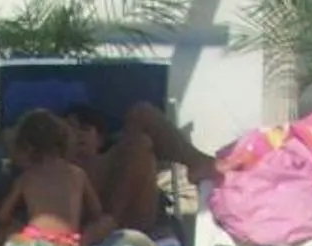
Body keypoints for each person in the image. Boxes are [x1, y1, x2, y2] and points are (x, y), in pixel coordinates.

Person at [63, 99, 218, 237]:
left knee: (142, 120)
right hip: (89, 220)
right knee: (139, 144)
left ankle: (198, 163)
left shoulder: (115, 160)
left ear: (100, 139)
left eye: (84, 128)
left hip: (124, 215)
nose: (77, 135)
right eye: (69, 129)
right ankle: (109, 222)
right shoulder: (53, 168)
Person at [0, 108, 116, 246]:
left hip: (34, 240)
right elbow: (97, 212)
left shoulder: (27, 177)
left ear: (26, 147)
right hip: (68, 241)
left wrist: (19, 225)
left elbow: (3, 216)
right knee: (108, 222)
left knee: (7, 233)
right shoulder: (78, 173)